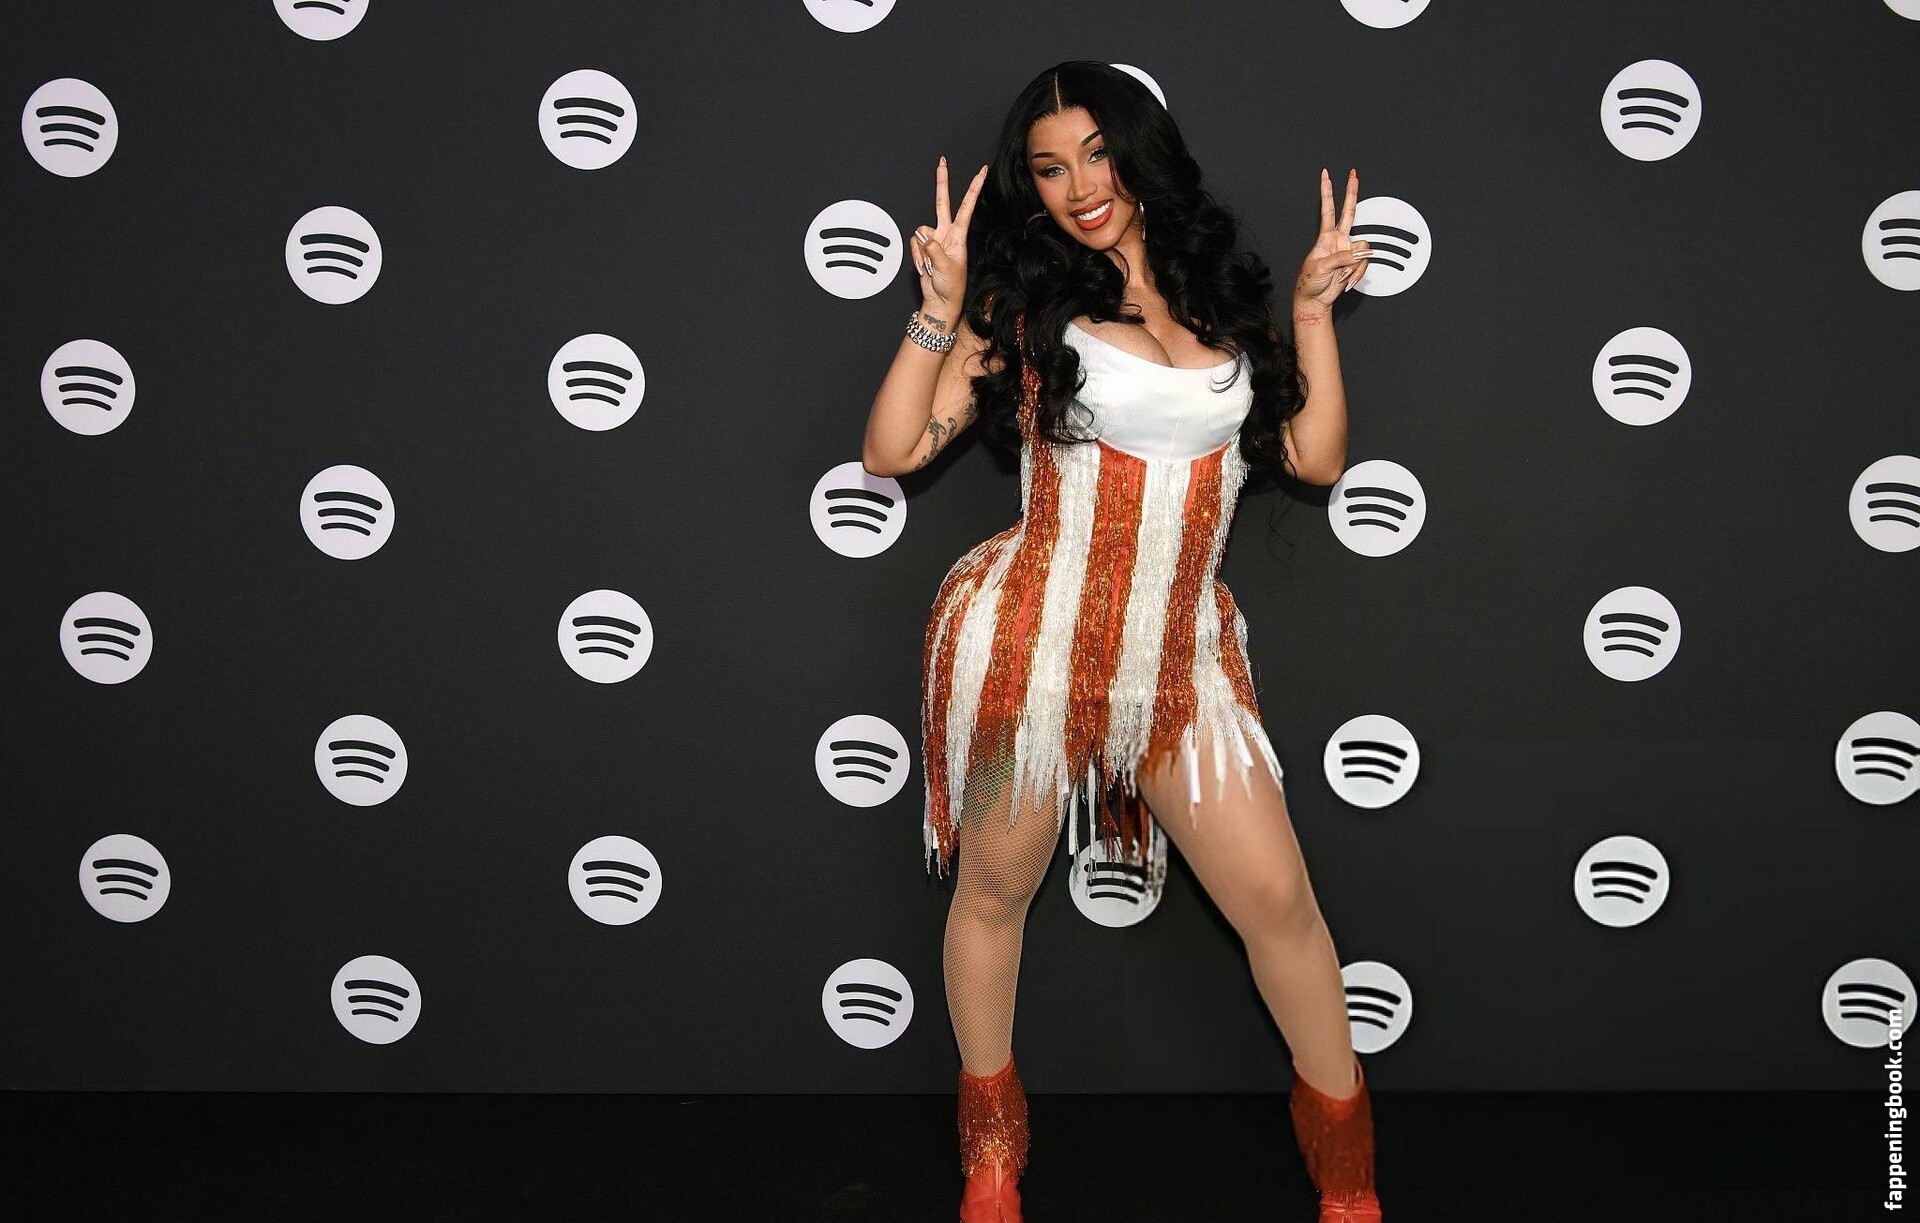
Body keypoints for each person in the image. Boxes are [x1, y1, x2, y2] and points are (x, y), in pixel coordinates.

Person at [861, 61, 1382, 1223]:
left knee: (1280, 902)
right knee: (993, 892)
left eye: (1096, 153)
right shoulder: (1022, 309)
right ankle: (992, 1161)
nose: (1079, 185)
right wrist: (937, 307)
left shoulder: (1225, 299)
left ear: (1141, 152)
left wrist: (1311, 312)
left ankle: (1350, 1184)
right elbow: (891, 451)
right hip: (1030, 650)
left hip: (1182, 661)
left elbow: (1317, 461)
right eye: (1049, 168)